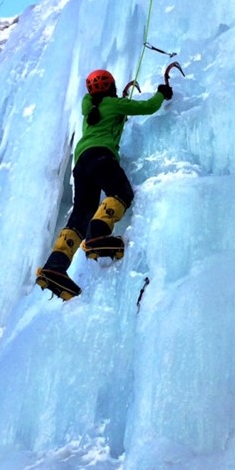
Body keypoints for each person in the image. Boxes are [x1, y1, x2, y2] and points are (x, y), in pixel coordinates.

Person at [36, 68, 172, 298]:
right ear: (111, 86)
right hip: (101, 156)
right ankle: (98, 234)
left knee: (82, 213)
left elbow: (110, 112)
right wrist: (162, 93)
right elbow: (147, 107)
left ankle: (55, 265)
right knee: (121, 193)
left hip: (82, 163)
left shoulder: (89, 107)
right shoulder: (113, 104)